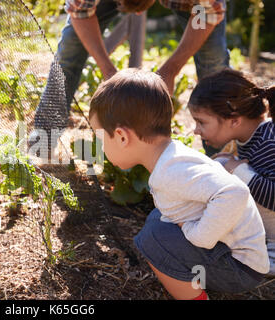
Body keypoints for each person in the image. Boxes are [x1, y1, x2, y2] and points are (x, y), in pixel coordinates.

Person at [89, 68, 270, 299]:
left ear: (122, 137)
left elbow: (235, 192)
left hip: (240, 268)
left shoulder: (172, 171)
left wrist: (198, 236)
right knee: (158, 220)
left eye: (100, 138)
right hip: (233, 256)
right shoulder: (170, 158)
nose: (100, 147)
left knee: (153, 239)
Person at [32, 0, 227, 156]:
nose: (138, 15)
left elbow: (207, 13)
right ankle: (43, 139)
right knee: (69, 54)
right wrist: (108, 71)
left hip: (200, 6)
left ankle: (222, 155)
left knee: (213, 64)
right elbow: (79, 12)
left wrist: (171, 70)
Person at [187, 68, 275, 277]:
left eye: (201, 122)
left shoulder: (269, 143)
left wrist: (239, 171)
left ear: (234, 120)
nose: (196, 130)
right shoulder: (250, 137)